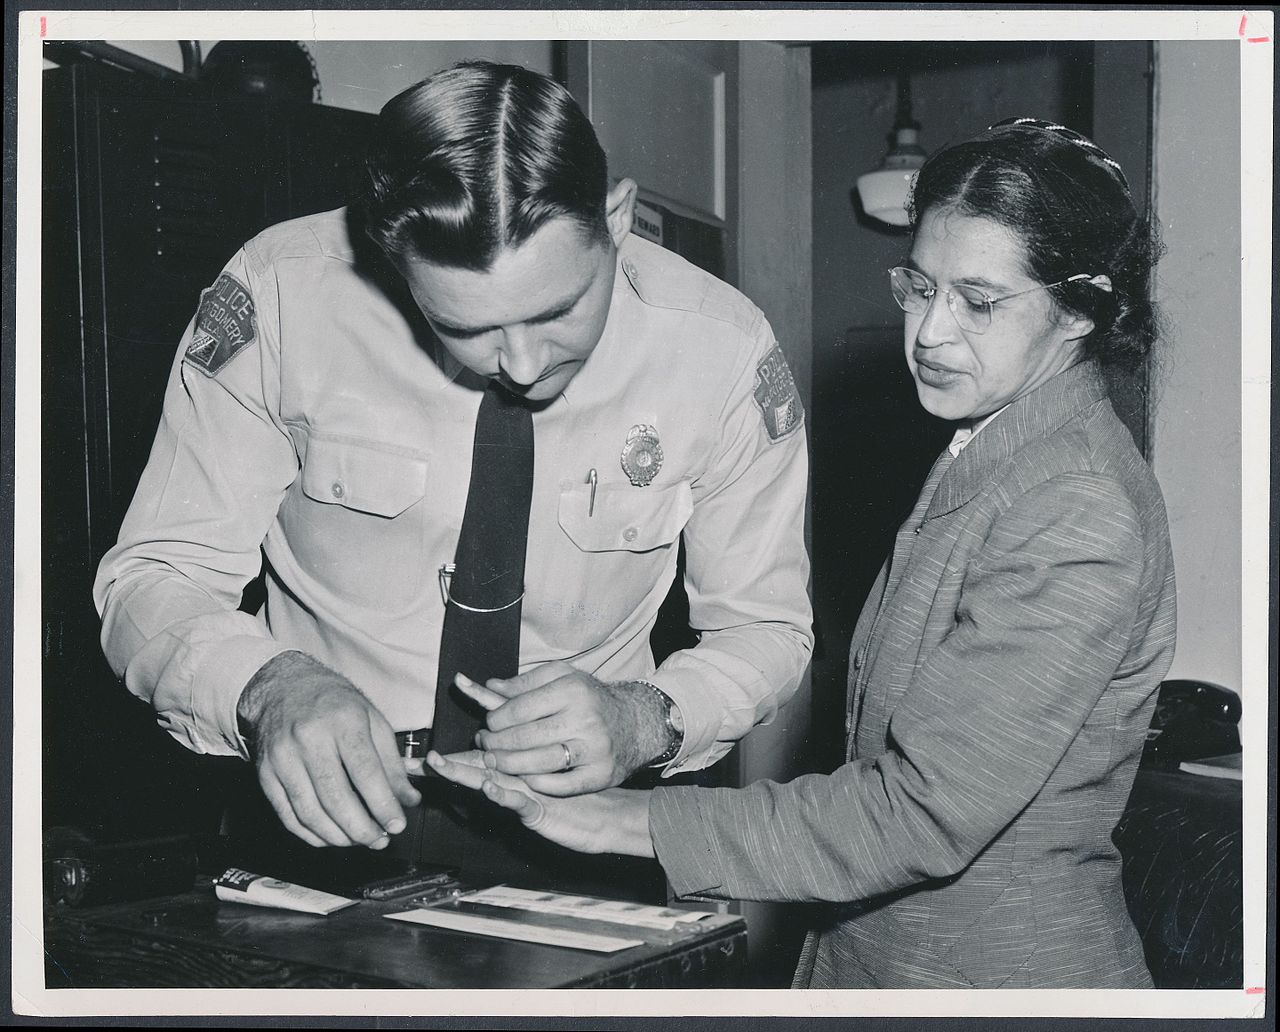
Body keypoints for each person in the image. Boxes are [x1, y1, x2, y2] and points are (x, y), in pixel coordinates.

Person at [431, 117, 1177, 988]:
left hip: (995, 977)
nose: (931, 333)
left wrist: (622, 821)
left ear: (1079, 311)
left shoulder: (1075, 503)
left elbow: (921, 813)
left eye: (979, 302)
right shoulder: (1002, 447)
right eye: (920, 287)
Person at [93, 61, 812, 883]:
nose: (524, 364)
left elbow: (769, 628)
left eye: (557, 310)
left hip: (590, 824)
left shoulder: (720, 349)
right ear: (390, 259)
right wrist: (267, 686)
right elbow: (154, 576)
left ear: (615, 217)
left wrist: (647, 717)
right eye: (465, 327)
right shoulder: (282, 295)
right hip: (321, 817)